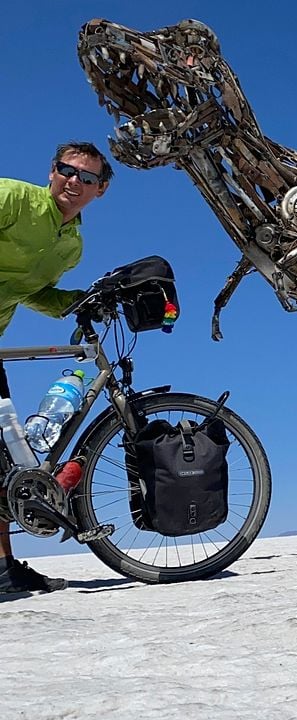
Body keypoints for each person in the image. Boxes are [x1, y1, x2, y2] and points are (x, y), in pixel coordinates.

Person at [0, 141, 113, 594]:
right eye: (68, 171)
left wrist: (80, 300)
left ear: (100, 190)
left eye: (87, 177)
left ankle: (3, 570)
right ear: (52, 171)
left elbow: (34, 292)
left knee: (5, 457)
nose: (75, 181)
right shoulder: (11, 198)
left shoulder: (72, 247)